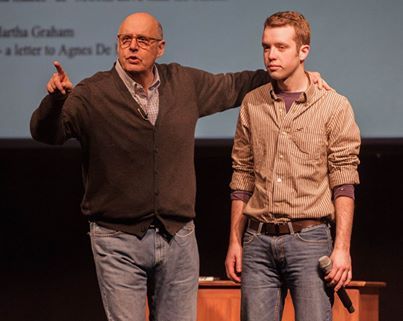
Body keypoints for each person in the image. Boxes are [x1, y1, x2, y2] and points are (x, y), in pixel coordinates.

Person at [31, 12, 328, 321]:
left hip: (178, 238)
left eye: (142, 41)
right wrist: (55, 102)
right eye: (125, 40)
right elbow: (47, 133)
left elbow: (236, 85)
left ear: (160, 47)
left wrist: (295, 77)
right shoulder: (93, 93)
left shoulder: (183, 83)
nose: (132, 47)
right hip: (117, 238)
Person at [225, 11, 360, 321]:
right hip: (257, 240)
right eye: (266, 46)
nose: (271, 55)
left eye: (281, 47)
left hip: (310, 240)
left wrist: (342, 248)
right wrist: (235, 241)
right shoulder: (253, 103)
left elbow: (344, 181)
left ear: (303, 51)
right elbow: (242, 176)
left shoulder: (333, 106)